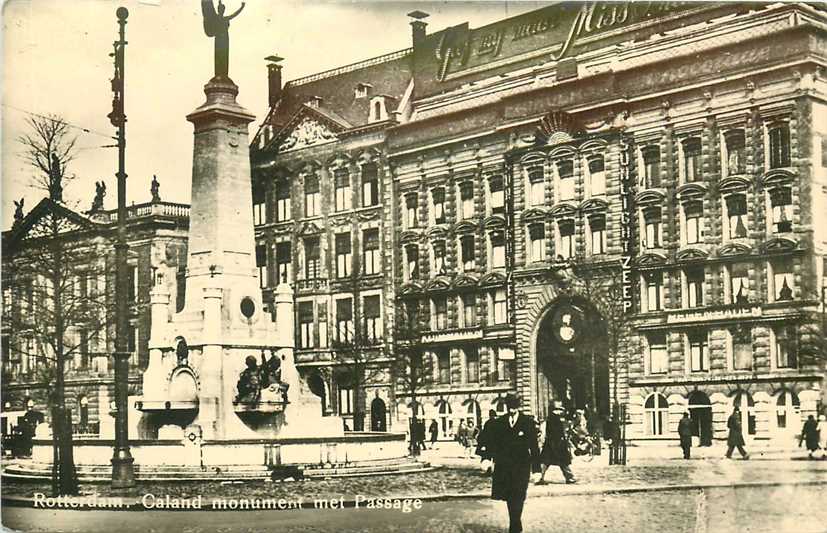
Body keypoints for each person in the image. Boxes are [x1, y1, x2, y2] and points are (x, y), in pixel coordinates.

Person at [488, 394, 541, 533]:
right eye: (509, 407)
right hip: (504, 466)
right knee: (510, 497)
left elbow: (534, 447)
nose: (511, 410)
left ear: (519, 406)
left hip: (522, 466)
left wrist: (537, 470)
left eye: (514, 407)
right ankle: (515, 523)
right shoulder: (500, 422)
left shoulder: (527, 422)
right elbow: (493, 443)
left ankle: (515, 526)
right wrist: (487, 458)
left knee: (519, 495)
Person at [537, 400, 576, 484]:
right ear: (554, 410)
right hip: (556, 444)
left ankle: (539, 477)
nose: (560, 412)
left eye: (560, 410)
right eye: (558, 410)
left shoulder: (553, 418)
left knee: (545, 462)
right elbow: (555, 432)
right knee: (562, 462)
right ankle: (570, 478)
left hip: (551, 444)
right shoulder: (554, 419)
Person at [476, 410, 498, 474]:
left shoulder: (487, 423)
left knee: (487, 457)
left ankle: (489, 470)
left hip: (489, 444)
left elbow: (484, 434)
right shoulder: (497, 423)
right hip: (495, 444)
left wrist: (483, 444)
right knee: (495, 458)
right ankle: (494, 470)